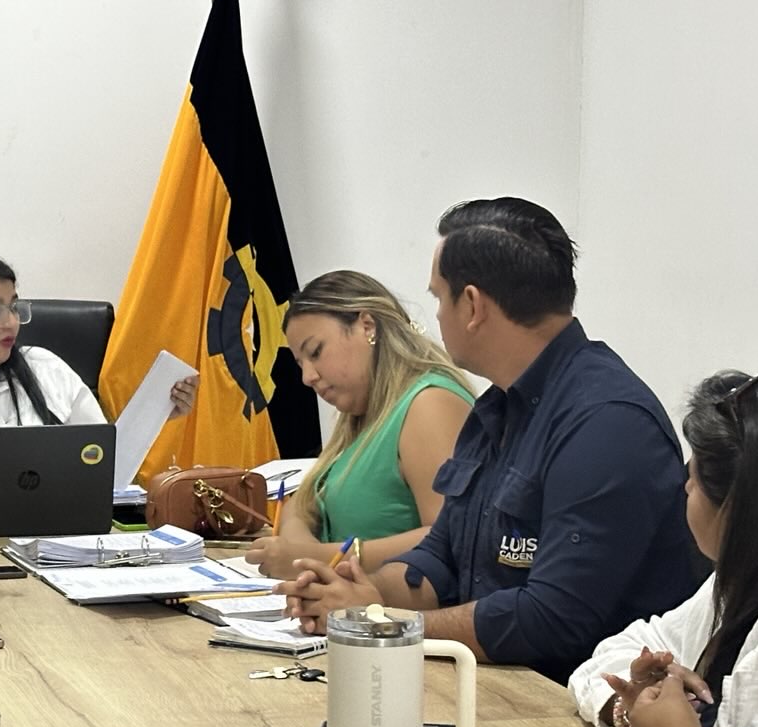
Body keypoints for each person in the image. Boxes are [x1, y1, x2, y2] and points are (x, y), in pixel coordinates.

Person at [278, 197, 698, 682]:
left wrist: (388, 624)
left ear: (473, 305)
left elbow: (552, 619)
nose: (436, 315)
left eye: (439, 298)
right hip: (492, 683)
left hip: (567, 702)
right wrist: (355, 593)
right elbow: (440, 557)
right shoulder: (497, 407)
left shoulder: (607, 423)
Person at [569, 362, 758, 727]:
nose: (686, 488)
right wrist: (635, 706)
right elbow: (622, 649)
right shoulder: (753, 573)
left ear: (741, 506)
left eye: (694, 478)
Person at [0, 249, 197, 511]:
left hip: (58, 543)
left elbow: (104, 462)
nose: (11, 323)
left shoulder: (46, 368)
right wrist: (33, 472)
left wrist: (154, 413)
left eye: (13, 307)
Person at [246, 270, 474, 576]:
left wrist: (317, 558)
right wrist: (300, 551)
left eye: (316, 352)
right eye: (301, 363)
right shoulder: (364, 414)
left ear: (367, 326)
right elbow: (302, 504)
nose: (307, 377)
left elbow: (452, 537)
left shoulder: (429, 404)